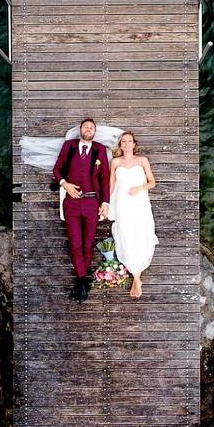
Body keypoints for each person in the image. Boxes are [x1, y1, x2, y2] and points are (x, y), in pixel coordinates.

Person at [51, 118, 111, 302]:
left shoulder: (99, 149)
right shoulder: (69, 146)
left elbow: (105, 177)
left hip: (92, 202)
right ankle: (82, 281)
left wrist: (105, 203)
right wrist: (65, 184)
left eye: (91, 127)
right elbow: (57, 169)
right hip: (72, 203)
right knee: (75, 244)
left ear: (94, 132)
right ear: (80, 130)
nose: (88, 129)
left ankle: (80, 284)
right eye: (85, 126)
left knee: (88, 244)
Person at [108, 131, 158, 298]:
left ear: (134, 144)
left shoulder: (142, 160)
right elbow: (111, 186)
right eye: (124, 141)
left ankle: (137, 277)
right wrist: (106, 205)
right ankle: (137, 278)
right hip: (123, 203)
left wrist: (139, 188)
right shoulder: (115, 162)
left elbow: (152, 182)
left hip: (140, 202)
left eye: (130, 141)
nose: (127, 144)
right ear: (120, 145)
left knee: (140, 233)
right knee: (127, 235)